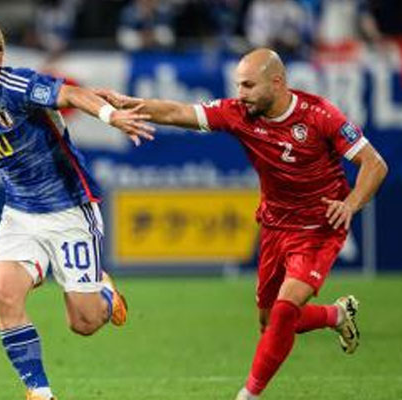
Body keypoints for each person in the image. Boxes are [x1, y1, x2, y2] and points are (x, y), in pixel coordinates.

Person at [97, 48, 388, 399]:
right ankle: (336, 315)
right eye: (238, 85)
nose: (241, 94)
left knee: (283, 311)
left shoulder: (320, 114)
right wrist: (132, 104)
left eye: (248, 85)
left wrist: (351, 203)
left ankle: (247, 395)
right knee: (271, 323)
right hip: (275, 225)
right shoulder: (239, 114)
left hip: (318, 227)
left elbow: (374, 164)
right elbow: (177, 111)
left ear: (277, 83)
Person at [0, 16, 154, 400]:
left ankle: (104, 294)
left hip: (70, 210)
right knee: (3, 296)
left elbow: (73, 96)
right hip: (19, 215)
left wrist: (113, 117)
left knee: (85, 323)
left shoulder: (20, 85)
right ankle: (39, 392)